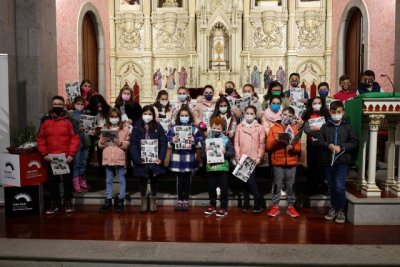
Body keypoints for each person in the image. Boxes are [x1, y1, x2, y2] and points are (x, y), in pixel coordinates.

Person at [37, 95, 80, 214]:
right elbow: (40, 138)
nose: (57, 106)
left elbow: (75, 138)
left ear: (63, 106)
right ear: (52, 105)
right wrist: (44, 153)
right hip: (51, 158)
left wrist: (71, 154)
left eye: (59, 104)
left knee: (67, 181)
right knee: (53, 182)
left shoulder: (69, 120)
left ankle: (67, 201)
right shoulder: (45, 120)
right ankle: (55, 202)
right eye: (55, 104)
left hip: (66, 158)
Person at [318, 101, 358, 223]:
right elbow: (320, 140)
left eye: (339, 112)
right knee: (331, 185)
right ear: (330, 112)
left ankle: (341, 209)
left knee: (339, 186)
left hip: (342, 161)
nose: (336, 114)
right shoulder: (325, 127)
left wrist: (342, 147)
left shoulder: (348, 127)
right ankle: (333, 208)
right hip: (328, 161)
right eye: (334, 112)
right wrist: (328, 145)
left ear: (343, 113)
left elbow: (354, 142)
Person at [130, 105, 168, 213]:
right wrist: (137, 159)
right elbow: (133, 144)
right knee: (142, 180)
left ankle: (153, 200)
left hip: (155, 160)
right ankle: (143, 201)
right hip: (142, 160)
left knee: (154, 180)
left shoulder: (158, 127)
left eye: (150, 114)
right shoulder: (136, 127)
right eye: (145, 114)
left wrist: (161, 158)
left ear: (153, 115)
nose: (147, 116)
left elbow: (163, 143)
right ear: (142, 115)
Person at [266, 106, 301, 218]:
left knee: (290, 185)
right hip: (277, 162)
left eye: (290, 116)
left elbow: (298, 147)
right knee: (277, 184)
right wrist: (276, 140)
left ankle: (290, 207)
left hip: (291, 162)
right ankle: (275, 206)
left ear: (293, 118)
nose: (287, 117)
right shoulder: (273, 128)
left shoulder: (295, 129)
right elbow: (268, 146)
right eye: (285, 115)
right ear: (281, 116)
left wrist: (293, 148)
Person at [166, 106, 203, 211]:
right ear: (179, 117)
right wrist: (172, 139)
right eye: (182, 116)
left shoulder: (194, 129)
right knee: (179, 181)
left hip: (189, 157)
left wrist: (194, 140)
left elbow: (200, 142)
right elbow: (167, 140)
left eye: (186, 116)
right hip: (177, 157)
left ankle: (186, 200)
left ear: (190, 117)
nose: (184, 117)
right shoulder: (173, 129)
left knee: (187, 180)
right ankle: (180, 200)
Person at [98, 108, 130, 213]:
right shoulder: (105, 127)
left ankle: (121, 198)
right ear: (109, 118)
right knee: (108, 179)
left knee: (121, 178)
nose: (114, 119)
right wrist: (103, 142)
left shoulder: (125, 128)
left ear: (119, 118)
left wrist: (119, 142)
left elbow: (127, 144)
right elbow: (100, 144)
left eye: (116, 117)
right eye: (112, 117)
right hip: (108, 157)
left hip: (119, 156)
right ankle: (108, 199)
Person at [234, 105, 265, 213]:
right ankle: (246, 204)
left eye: (251, 113)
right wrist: (237, 156)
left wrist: (258, 157)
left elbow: (261, 144)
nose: (249, 115)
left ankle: (258, 202)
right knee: (243, 182)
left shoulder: (259, 127)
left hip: (253, 158)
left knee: (251, 181)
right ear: (244, 114)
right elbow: (236, 142)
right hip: (242, 158)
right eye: (247, 113)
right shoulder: (239, 127)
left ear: (255, 115)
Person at [202, 117, 235, 217]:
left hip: (223, 168)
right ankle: (212, 205)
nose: (216, 130)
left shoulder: (226, 140)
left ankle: (223, 207)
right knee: (211, 188)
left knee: (224, 188)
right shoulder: (208, 140)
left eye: (218, 128)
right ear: (210, 128)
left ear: (223, 129)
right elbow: (203, 155)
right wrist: (206, 152)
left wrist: (225, 153)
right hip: (211, 168)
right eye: (214, 128)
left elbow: (232, 152)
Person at [302, 97, 330, 195]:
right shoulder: (308, 114)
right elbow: (306, 129)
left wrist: (319, 130)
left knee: (321, 165)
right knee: (311, 165)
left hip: (322, 144)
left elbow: (328, 129)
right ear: (311, 104)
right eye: (315, 103)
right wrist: (319, 132)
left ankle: (322, 186)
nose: (317, 104)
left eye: (319, 103)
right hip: (311, 143)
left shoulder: (326, 115)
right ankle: (311, 187)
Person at [68, 96, 92, 193]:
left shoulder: (87, 115)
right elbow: (69, 129)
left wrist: (92, 130)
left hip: (85, 141)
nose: (80, 106)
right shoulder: (71, 115)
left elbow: (90, 128)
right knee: (76, 163)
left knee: (83, 163)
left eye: (82, 104)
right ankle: (76, 183)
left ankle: (82, 181)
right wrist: (78, 129)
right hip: (76, 142)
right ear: (74, 105)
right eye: (78, 104)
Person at [86, 94, 111, 178]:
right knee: (95, 151)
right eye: (97, 106)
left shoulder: (108, 110)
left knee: (105, 152)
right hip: (94, 135)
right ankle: (98, 169)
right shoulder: (90, 111)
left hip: (106, 134)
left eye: (100, 106)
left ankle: (106, 170)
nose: (99, 108)